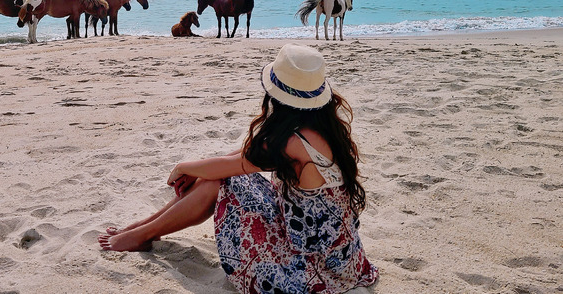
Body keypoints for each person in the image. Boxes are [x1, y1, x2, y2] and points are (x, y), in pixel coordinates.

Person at [98, 43, 378, 293]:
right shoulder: (325, 128)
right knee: (221, 174)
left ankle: (144, 234)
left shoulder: (293, 142)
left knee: (221, 180)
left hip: (307, 269)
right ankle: (145, 228)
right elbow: (244, 156)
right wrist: (197, 170)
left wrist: (183, 166)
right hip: (343, 260)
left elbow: (234, 165)